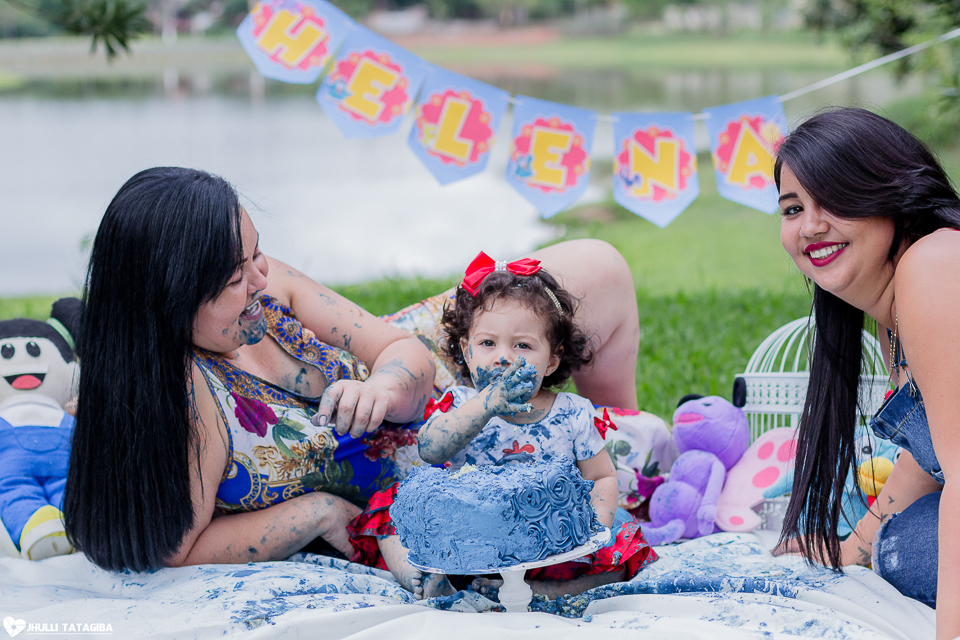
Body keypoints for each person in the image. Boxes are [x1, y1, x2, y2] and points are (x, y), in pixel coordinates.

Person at [63, 167, 643, 574]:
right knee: (628, 459)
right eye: (237, 278)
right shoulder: (183, 397)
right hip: (435, 463)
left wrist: (387, 385)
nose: (262, 276)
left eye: (256, 253)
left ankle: (621, 418)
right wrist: (313, 513)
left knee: (599, 268)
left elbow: (397, 345)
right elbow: (173, 548)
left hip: (430, 379)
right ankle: (631, 441)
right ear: (171, 299)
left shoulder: (268, 287)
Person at [354, 253, 656, 599]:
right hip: (469, 536)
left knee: (624, 542)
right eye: (488, 343)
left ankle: (559, 588)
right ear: (467, 352)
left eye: (523, 345)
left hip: (546, 539)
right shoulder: (461, 402)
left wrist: (596, 527)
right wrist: (485, 407)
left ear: (551, 360)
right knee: (390, 509)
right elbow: (430, 448)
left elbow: (601, 476)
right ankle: (420, 575)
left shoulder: (571, 413)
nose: (503, 357)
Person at [772, 108, 960, 638]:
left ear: (892, 193)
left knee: (908, 547)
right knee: (901, 540)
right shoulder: (894, 309)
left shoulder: (936, 266)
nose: (809, 226)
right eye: (791, 208)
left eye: (833, 198)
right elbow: (932, 456)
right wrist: (853, 547)